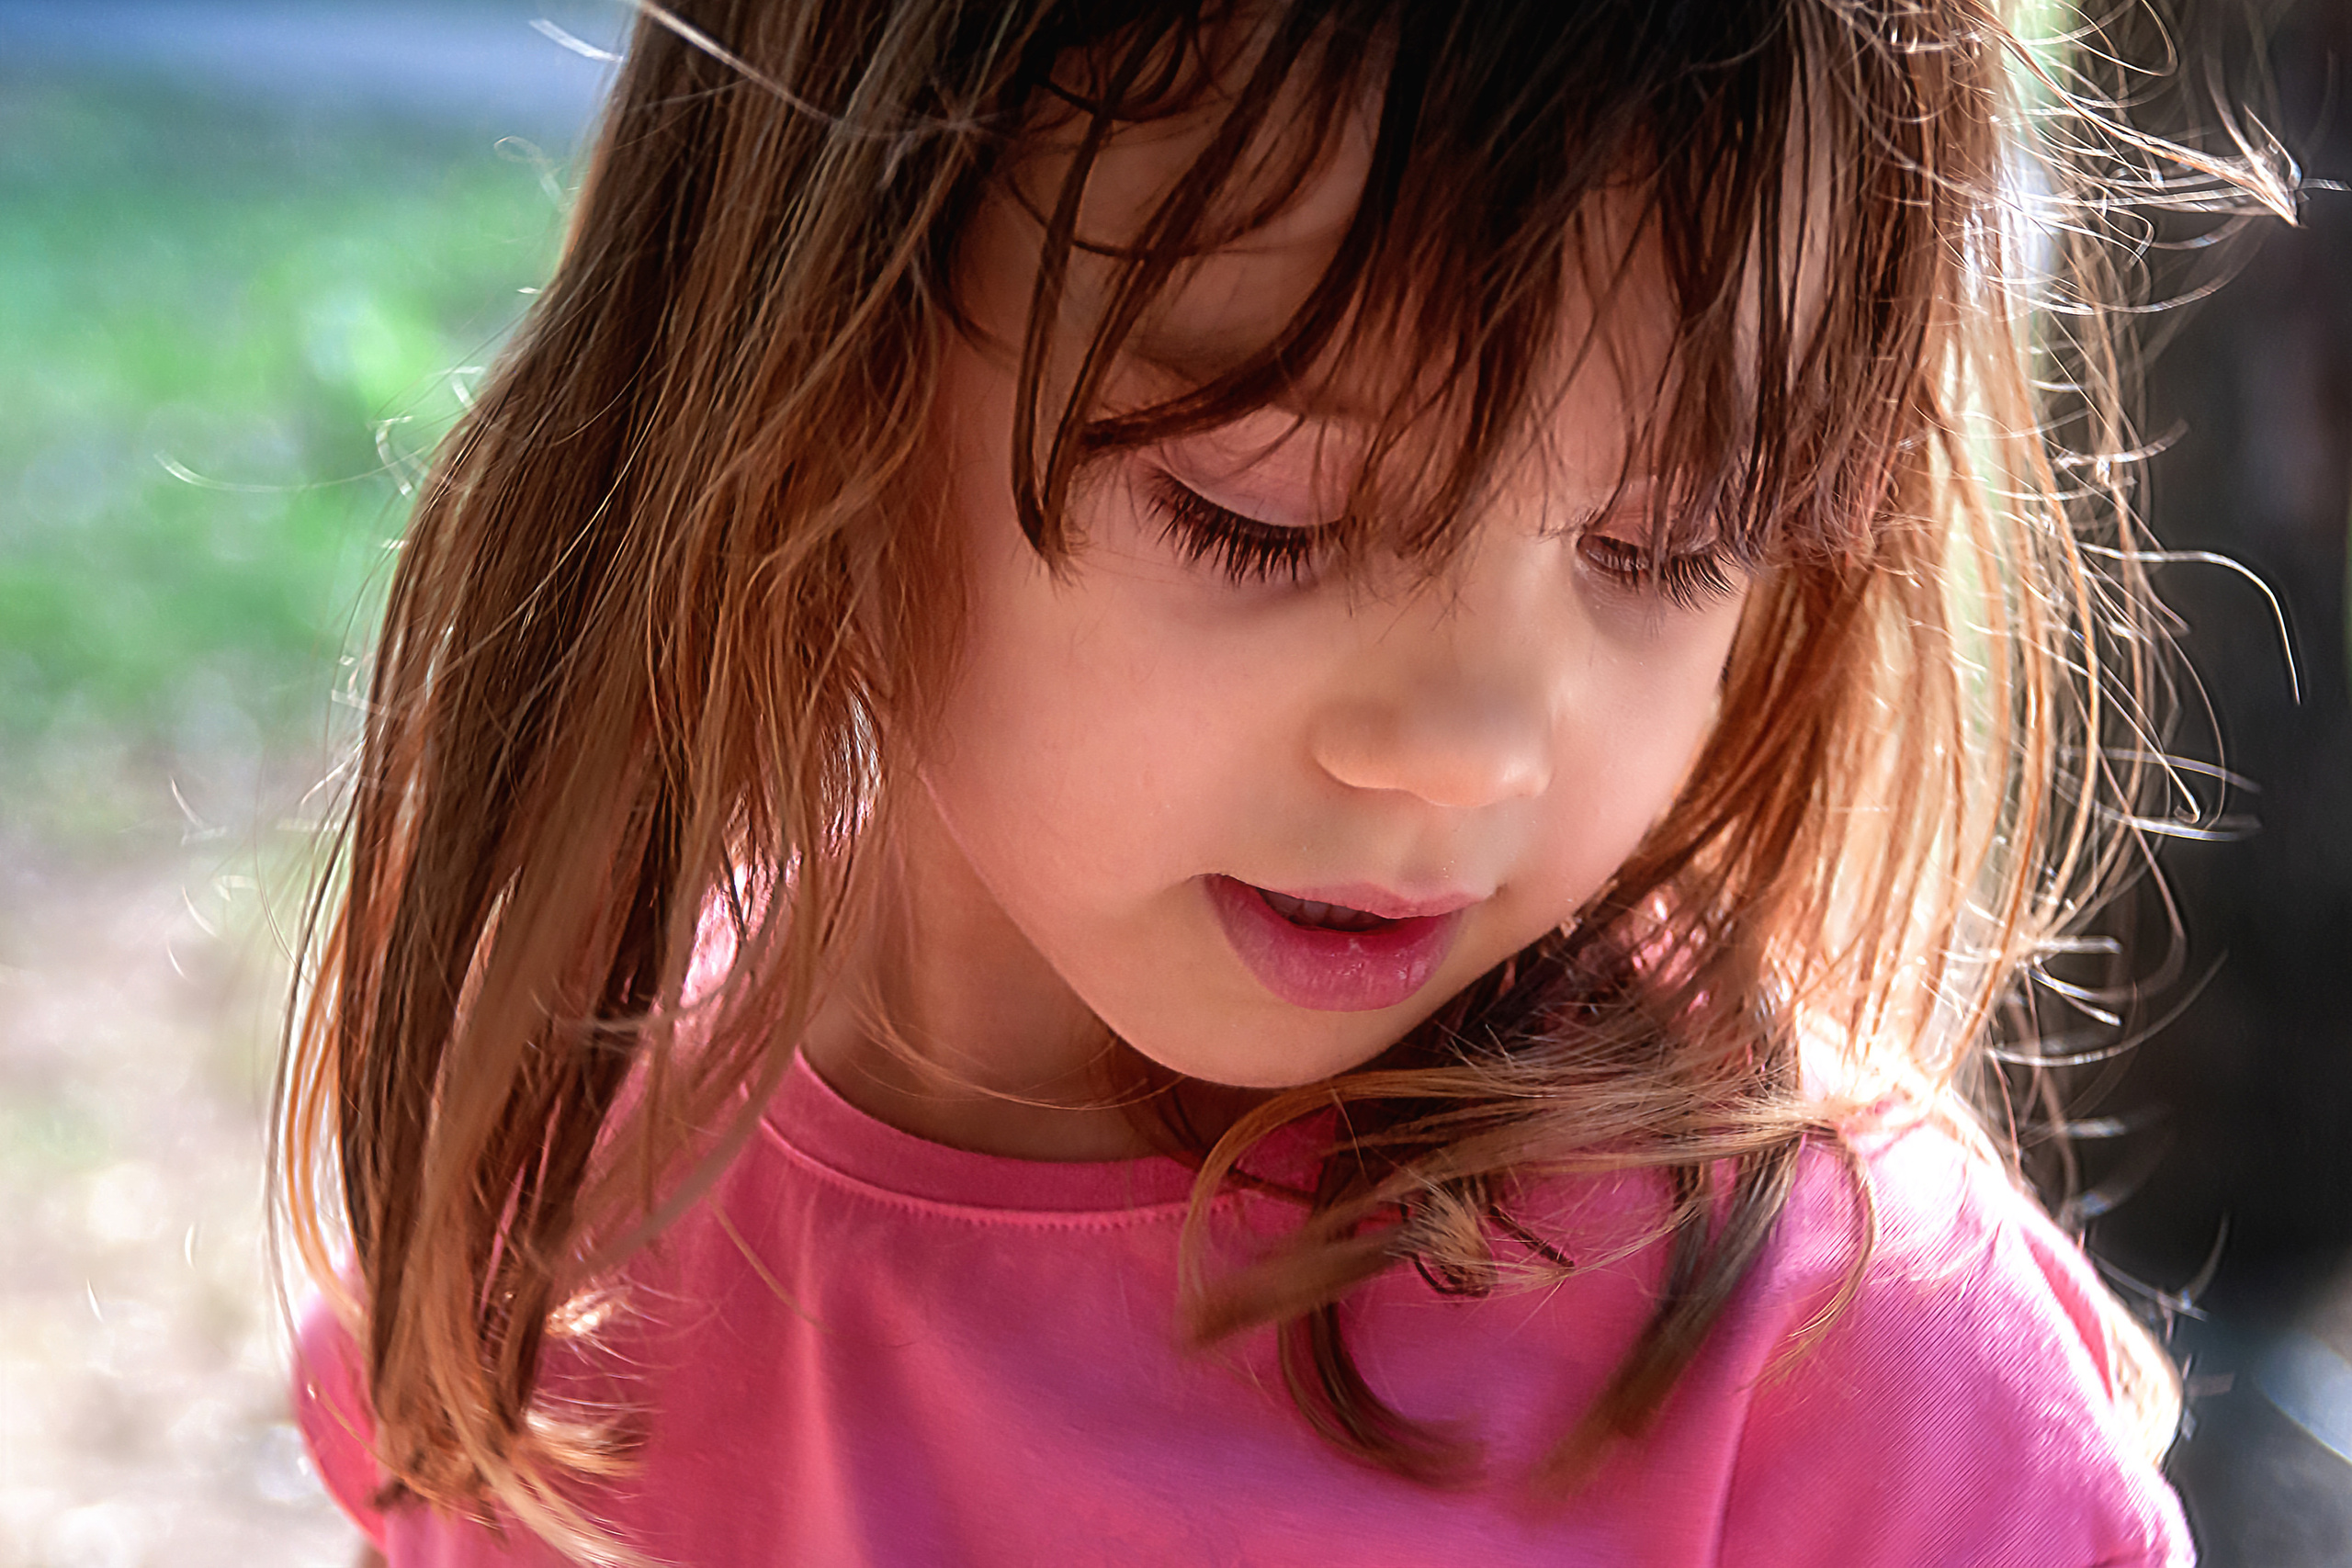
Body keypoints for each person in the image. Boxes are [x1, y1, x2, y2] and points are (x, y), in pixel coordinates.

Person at [277, 0, 2281, 1561]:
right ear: (812, 372)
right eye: (1262, 515)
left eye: (1670, 550)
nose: (1467, 742)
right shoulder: (548, 1206)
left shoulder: (1835, 1377)